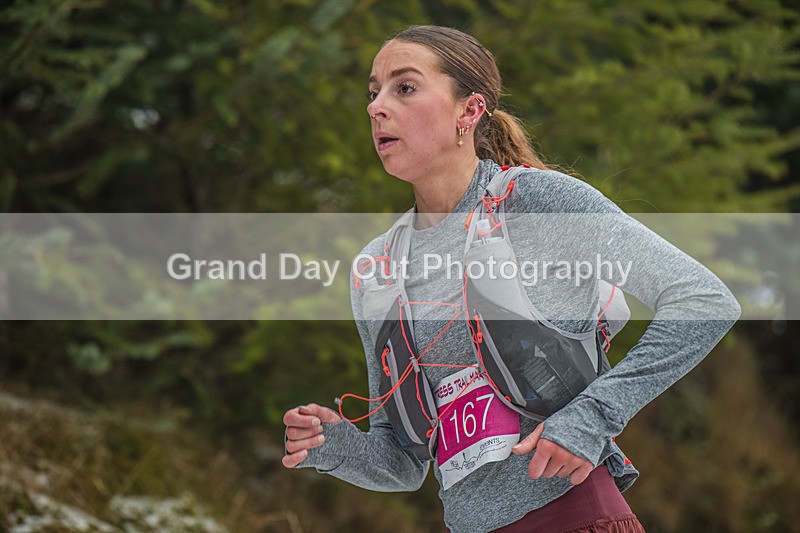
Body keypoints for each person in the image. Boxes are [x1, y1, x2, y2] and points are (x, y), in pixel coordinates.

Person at [282, 25, 740, 533]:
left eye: (404, 87)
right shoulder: (376, 268)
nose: (376, 107)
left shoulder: (535, 203)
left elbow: (704, 300)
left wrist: (595, 414)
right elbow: (404, 461)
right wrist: (334, 446)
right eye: (373, 92)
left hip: (576, 517)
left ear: (469, 111)